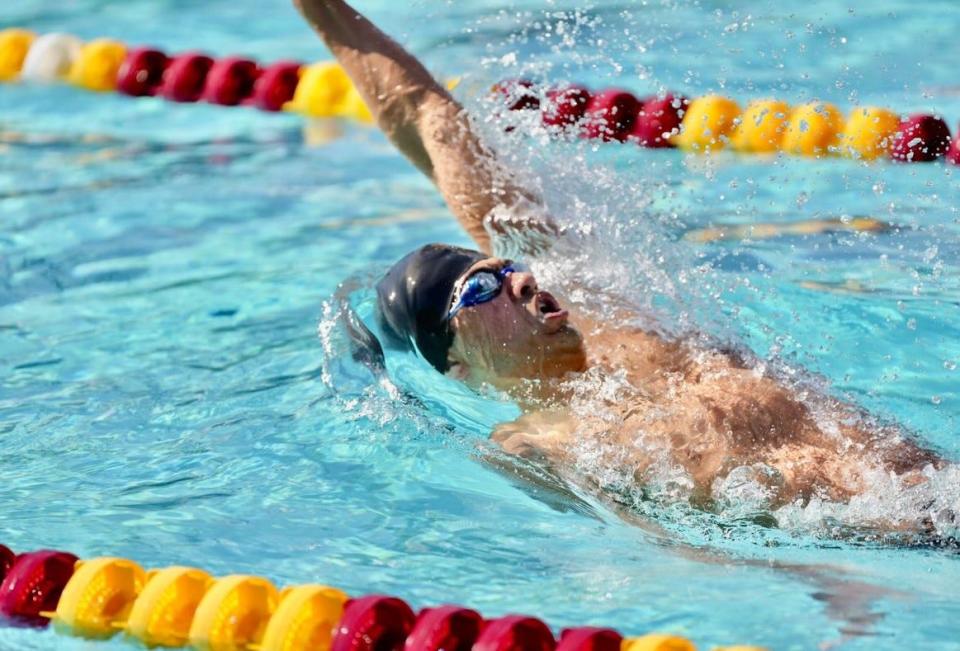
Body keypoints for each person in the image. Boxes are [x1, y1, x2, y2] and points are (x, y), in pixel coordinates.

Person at [293, 0, 946, 524]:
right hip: (898, 534)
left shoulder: (592, 293)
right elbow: (671, 550)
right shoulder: (536, 445)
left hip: (930, 476)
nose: (519, 277)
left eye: (505, 263)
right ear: (457, 363)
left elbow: (427, 115)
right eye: (483, 286)